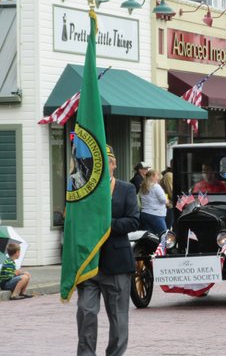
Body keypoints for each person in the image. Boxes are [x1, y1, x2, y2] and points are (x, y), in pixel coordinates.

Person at [76, 145, 139, 356]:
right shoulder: (82, 190)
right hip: (89, 262)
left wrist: (104, 225)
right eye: (96, 164)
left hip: (117, 264)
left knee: (118, 318)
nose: (101, 168)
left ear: (114, 164)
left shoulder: (126, 189)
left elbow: (133, 222)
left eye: (105, 163)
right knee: (86, 313)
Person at [139, 169, 169, 235]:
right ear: (152, 176)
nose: (158, 178)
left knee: (149, 237)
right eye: (157, 175)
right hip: (156, 214)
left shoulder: (142, 187)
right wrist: (167, 201)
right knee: (164, 236)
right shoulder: (156, 187)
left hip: (145, 213)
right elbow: (163, 200)